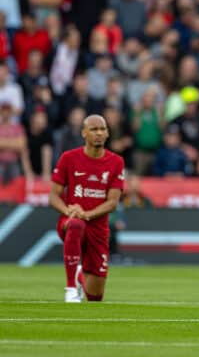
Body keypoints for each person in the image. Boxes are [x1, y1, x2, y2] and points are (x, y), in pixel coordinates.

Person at [49, 114, 125, 303]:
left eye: (102, 129)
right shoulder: (69, 158)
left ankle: (79, 275)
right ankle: (71, 288)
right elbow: (53, 196)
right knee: (76, 225)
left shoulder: (116, 162)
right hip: (70, 220)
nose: (99, 133)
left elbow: (113, 202)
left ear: (107, 133)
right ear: (84, 133)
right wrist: (70, 212)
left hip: (98, 229)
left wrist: (87, 214)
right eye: (94, 129)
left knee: (95, 297)